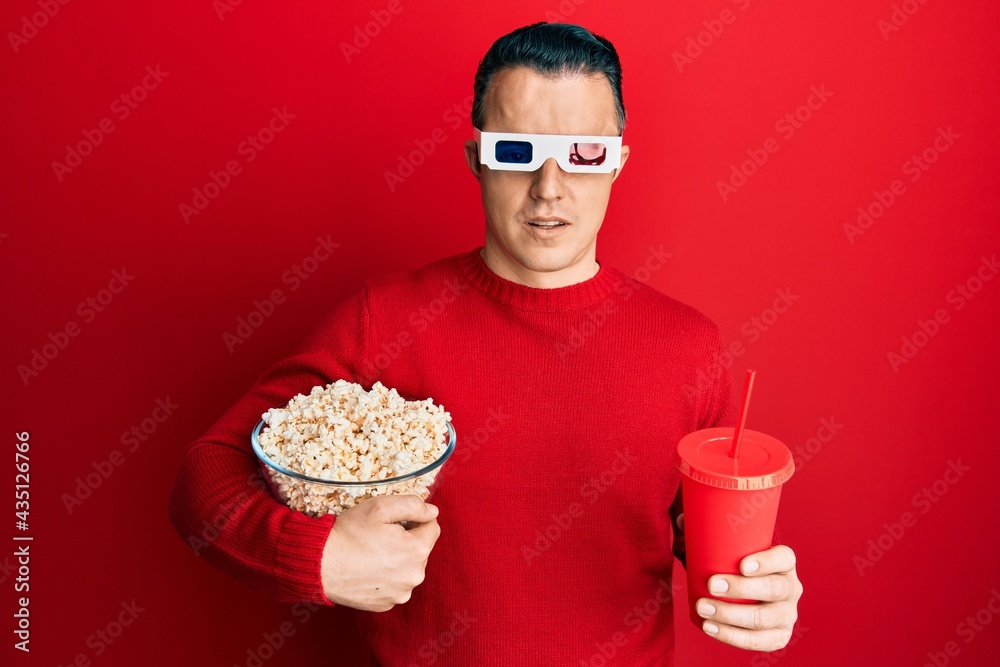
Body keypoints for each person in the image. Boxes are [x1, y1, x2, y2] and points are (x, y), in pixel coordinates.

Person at [167, 21, 802, 666]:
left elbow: (706, 532)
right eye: (517, 151)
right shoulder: (382, 321)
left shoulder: (687, 345)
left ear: (617, 161)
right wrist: (315, 555)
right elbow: (204, 478)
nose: (548, 187)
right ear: (477, 160)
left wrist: (759, 588)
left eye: (583, 153)